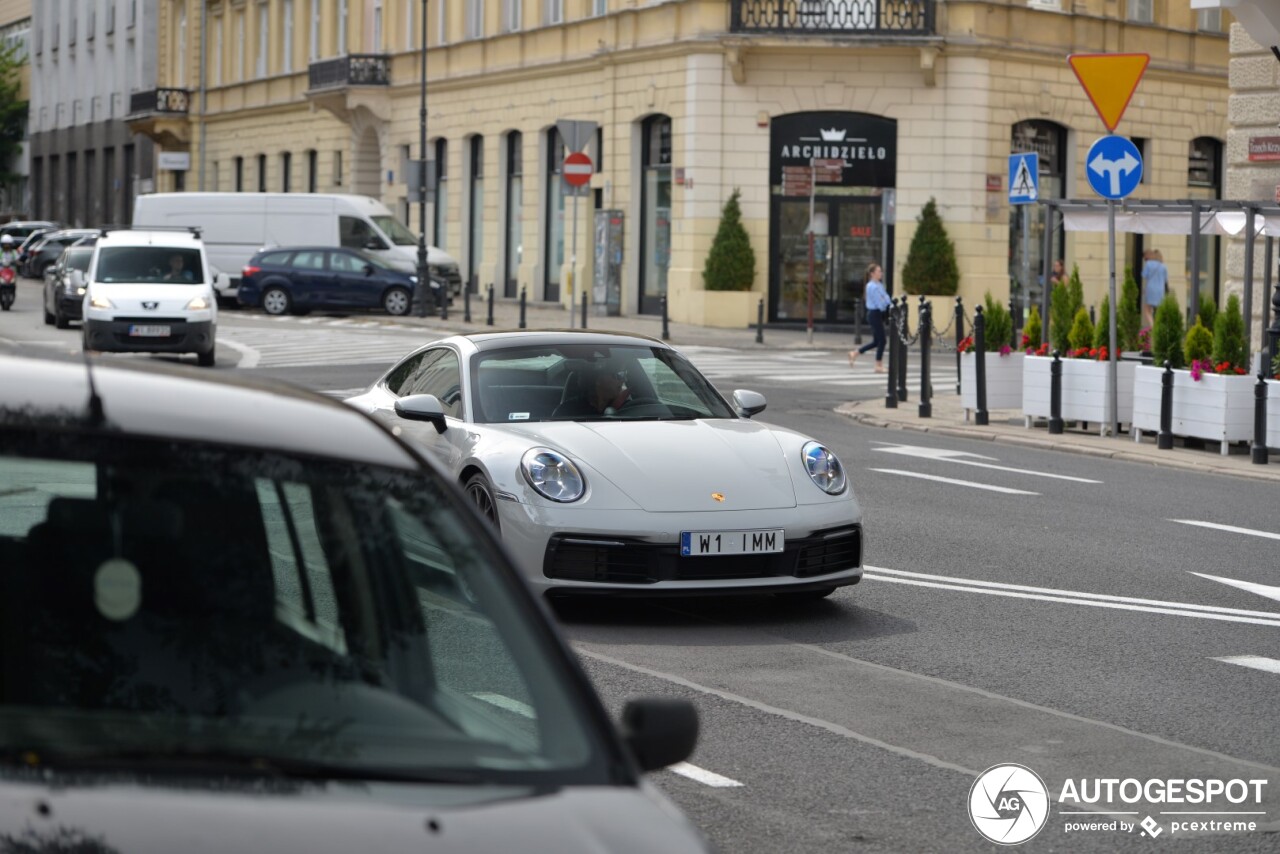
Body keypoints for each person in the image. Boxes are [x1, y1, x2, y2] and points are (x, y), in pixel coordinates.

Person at [849, 263, 891, 373]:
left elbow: (886, 298)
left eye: (881, 271)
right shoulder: (871, 286)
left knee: (876, 341)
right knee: (882, 340)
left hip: (877, 314)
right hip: (874, 314)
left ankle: (855, 353)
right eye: (878, 271)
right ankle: (878, 365)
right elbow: (879, 302)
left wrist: (886, 302)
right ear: (872, 274)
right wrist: (885, 304)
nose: (881, 273)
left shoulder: (879, 285)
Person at [1141, 248, 1167, 329]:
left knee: (1147, 309)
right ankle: (1157, 326)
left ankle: (1153, 327)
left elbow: (1144, 275)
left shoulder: (1148, 264)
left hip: (1151, 289)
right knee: (1158, 310)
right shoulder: (1163, 266)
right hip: (1160, 290)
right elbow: (1165, 279)